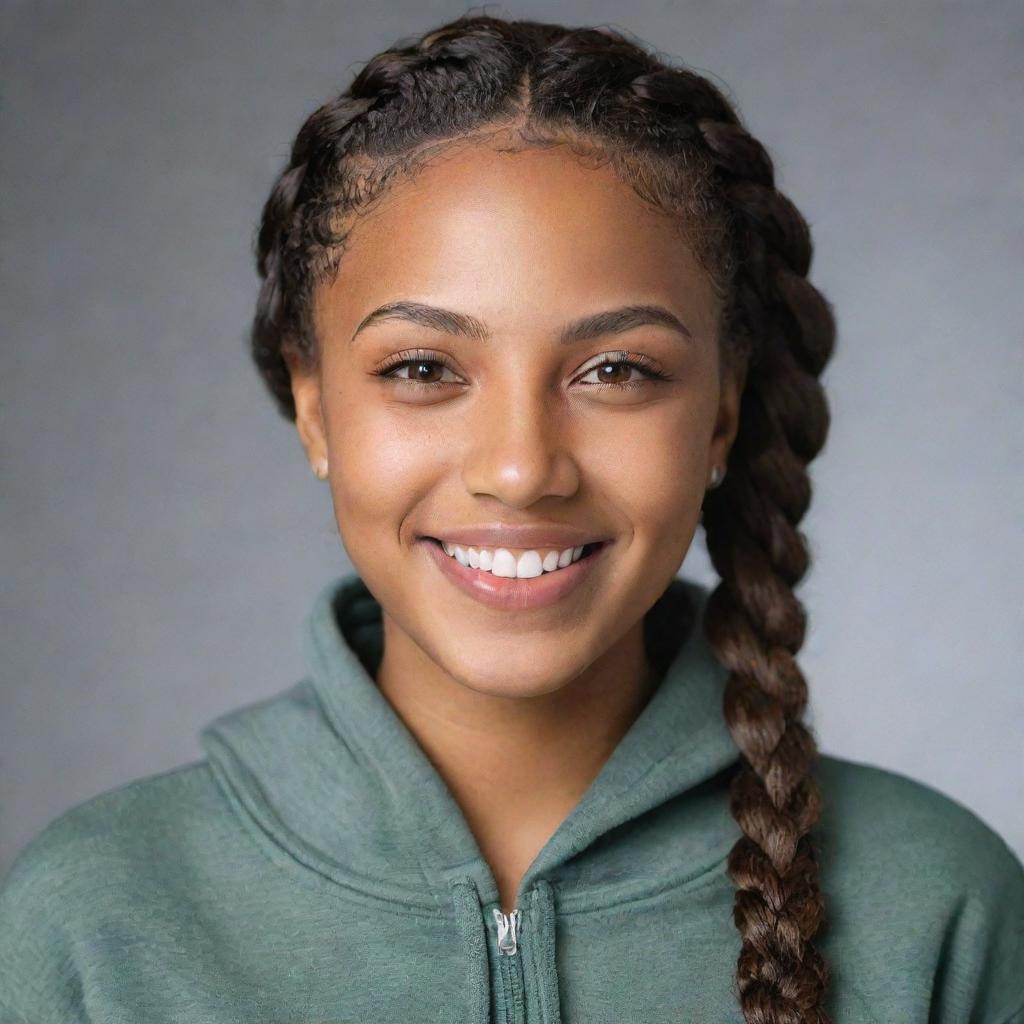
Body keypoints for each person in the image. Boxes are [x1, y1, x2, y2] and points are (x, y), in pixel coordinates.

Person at [1, 12, 1021, 1024]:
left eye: (616, 370)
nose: (521, 467)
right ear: (316, 410)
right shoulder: (92, 917)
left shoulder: (937, 906)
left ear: (720, 413)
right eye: (422, 369)